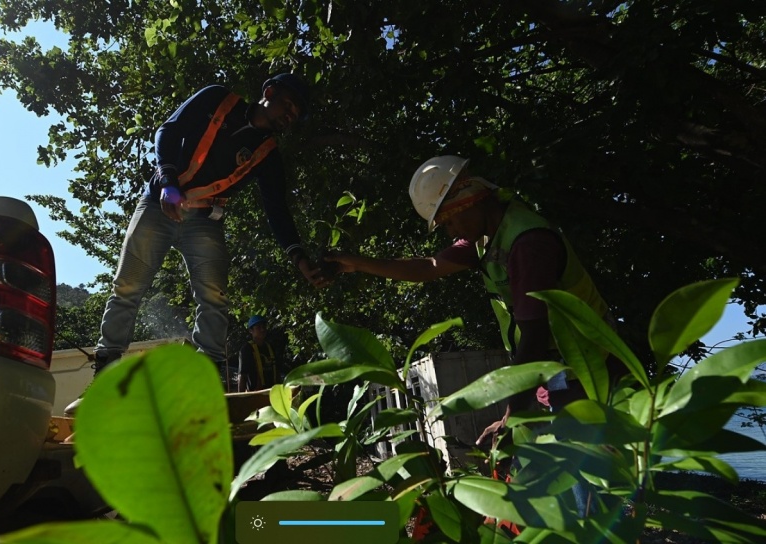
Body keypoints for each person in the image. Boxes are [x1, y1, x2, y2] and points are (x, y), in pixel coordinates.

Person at [325, 155, 622, 513]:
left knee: (586, 485)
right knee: (556, 479)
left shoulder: (527, 244)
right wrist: (357, 263)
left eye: (449, 219)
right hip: (557, 371)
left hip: (591, 368)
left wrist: (509, 417)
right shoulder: (487, 238)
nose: (450, 231)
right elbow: (429, 266)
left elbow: (535, 336)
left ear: (471, 198)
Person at [65, 74, 326, 415]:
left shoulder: (268, 155)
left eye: (296, 113)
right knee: (127, 286)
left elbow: (277, 210)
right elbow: (168, 131)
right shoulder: (217, 98)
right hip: (159, 204)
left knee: (215, 298)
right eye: (288, 104)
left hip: (204, 220)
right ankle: (105, 380)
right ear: (269, 92)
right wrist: (168, 181)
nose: (290, 115)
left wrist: (299, 257)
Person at [237, 315, 283, 391]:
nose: (262, 329)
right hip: (255, 394)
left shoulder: (270, 347)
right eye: (258, 327)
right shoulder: (246, 349)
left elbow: (277, 372)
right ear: (251, 330)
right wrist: (240, 398)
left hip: (272, 392)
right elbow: (242, 375)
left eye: (264, 326)